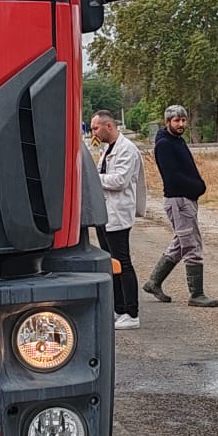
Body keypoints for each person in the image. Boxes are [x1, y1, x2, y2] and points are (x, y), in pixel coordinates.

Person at [144, 104, 218, 307]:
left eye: (183, 120)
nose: (181, 124)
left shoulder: (176, 141)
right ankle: (197, 294)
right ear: (167, 122)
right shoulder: (165, 145)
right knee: (191, 244)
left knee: (181, 242)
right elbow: (173, 177)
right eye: (176, 120)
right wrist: (198, 187)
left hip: (185, 199)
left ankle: (154, 281)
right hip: (179, 200)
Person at [88, 110, 144, 328]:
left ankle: (132, 312)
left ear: (108, 126)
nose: (93, 132)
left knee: (123, 263)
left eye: (95, 128)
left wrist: (93, 177)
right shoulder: (108, 149)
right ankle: (118, 308)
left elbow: (119, 180)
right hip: (105, 213)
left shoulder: (127, 149)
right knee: (111, 263)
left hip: (118, 214)